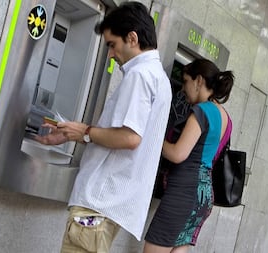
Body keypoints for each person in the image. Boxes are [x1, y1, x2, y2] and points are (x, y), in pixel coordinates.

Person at [35, 2, 172, 252]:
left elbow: (130, 138)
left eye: (112, 44)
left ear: (132, 38)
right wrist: (73, 134)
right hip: (111, 204)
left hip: (99, 202)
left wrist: (84, 132)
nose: (110, 54)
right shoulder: (159, 78)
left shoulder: (139, 75)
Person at [144, 59, 234, 253]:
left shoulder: (202, 111)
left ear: (199, 80)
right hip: (203, 195)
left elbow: (178, 153)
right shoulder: (225, 116)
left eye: (185, 81)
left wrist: (152, 135)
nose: (183, 89)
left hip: (183, 192)